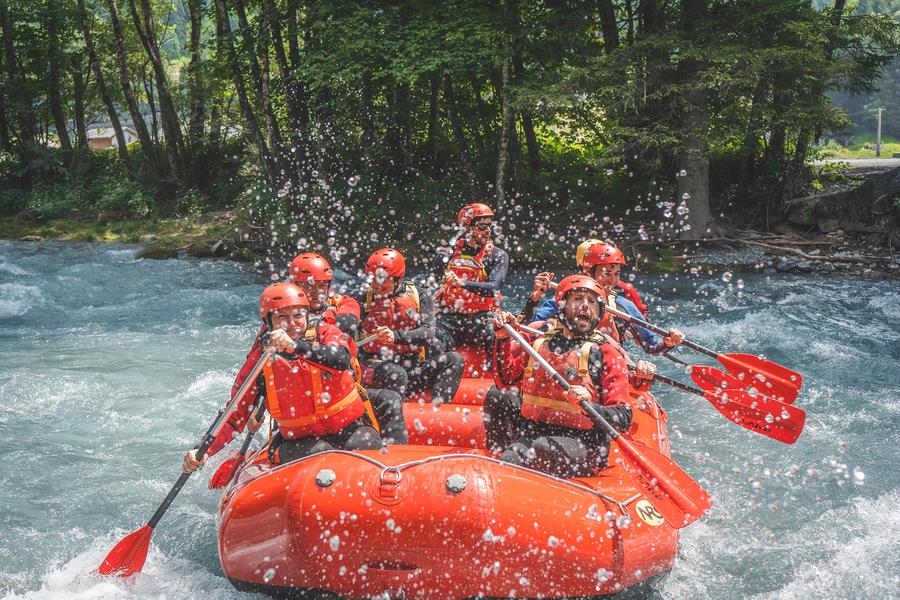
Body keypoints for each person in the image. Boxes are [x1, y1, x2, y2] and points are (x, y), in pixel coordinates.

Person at [182, 282, 382, 472]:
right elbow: (235, 415)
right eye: (282, 317)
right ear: (269, 322)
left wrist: (296, 347)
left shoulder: (325, 332)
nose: (292, 323)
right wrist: (204, 449)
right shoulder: (261, 359)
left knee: (367, 444)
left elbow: (341, 360)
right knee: (320, 454)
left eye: (298, 315)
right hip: (300, 441)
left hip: (349, 428)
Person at [486, 275, 633, 477]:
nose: (585, 307)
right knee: (498, 396)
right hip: (534, 430)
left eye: (591, 302)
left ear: (599, 313)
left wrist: (590, 405)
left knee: (536, 448)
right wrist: (502, 339)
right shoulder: (540, 338)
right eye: (577, 299)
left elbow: (623, 417)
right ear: (562, 306)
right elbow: (505, 380)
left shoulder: (605, 352)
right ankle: (497, 459)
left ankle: (508, 466)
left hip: (584, 442)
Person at [520, 240, 684, 381]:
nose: (613, 280)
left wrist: (667, 342)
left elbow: (651, 346)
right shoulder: (563, 302)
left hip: (606, 368)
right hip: (564, 367)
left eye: (617, 274)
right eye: (606, 273)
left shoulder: (624, 306)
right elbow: (526, 331)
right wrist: (535, 296)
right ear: (587, 272)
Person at [290, 252, 406, 443]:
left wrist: (318, 325)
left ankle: (395, 463)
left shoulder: (342, 304)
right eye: (309, 286)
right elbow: (255, 365)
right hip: (303, 405)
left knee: (390, 399)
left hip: (340, 397)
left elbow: (348, 322)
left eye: (322, 286)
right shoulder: (278, 320)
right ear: (295, 287)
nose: (316, 292)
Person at [358, 248, 464, 407]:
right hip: (375, 365)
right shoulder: (361, 299)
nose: (376, 285)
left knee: (454, 360)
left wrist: (395, 336)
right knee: (396, 374)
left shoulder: (420, 296)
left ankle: (437, 415)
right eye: (372, 279)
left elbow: (427, 334)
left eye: (381, 279)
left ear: (397, 278)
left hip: (411, 366)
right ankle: (392, 419)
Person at [435, 203, 509, 362]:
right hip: (450, 319)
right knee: (433, 340)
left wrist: (462, 283)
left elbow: (494, 288)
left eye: (490, 226)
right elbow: (430, 286)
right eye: (482, 226)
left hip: (482, 319)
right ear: (468, 228)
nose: (488, 231)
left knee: (498, 340)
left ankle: (499, 382)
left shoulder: (497, 255)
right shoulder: (447, 254)